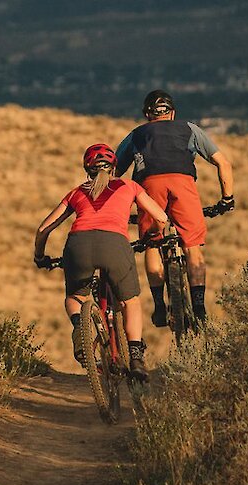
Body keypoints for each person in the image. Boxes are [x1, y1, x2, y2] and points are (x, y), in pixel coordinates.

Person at [33, 142, 170, 380]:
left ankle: (81, 328)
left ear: (88, 169)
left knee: (75, 297)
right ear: (114, 167)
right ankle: (136, 356)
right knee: (130, 301)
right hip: (115, 244)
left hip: (78, 245)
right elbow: (160, 217)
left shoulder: (76, 192)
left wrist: (40, 256)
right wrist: (151, 236)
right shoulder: (129, 186)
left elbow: (44, 229)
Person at [114, 89, 236, 328]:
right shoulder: (190, 129)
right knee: (192, 245)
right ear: (172, 114)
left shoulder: (136, 135)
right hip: (183, 184)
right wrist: (226, 199)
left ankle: (160, 306)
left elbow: (114, 174)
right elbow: (224, 163)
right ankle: (199, 307)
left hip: (149, 187)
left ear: (148, 115)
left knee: (152, 242)